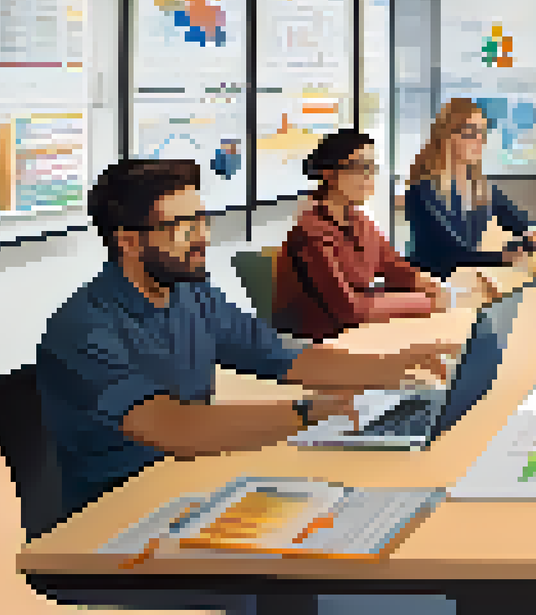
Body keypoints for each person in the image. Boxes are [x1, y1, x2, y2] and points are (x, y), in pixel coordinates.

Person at [36, 158, 452, 529]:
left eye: (202, 220)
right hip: (118, 517)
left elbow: (286, 359)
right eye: (181, 227)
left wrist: (389, 365)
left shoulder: (191, 295)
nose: (201, 238)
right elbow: (170, 427)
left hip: (191, 484)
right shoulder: (85, 328)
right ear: (127, 241)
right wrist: (304, 413)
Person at [273, 129, 450, 341]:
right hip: (318, 346)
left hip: (359, 334)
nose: (369, 177)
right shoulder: (309, 230)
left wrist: (428, 285)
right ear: (329, 173)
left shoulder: (359, 221)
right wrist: (424, 302)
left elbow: (394, 268)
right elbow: (349, 309)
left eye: (372, 168)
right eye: (359, 167)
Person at [404, 98, 536, 280]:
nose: (479, 141)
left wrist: (531, 238)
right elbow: (448, 252)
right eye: (470, 133)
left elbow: (519, 224)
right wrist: (502, 257)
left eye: (481, 133)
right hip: (429, 281)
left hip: (464, 279)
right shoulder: (423, 189)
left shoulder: (481, 187)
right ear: (447, 136)